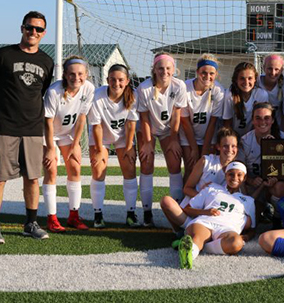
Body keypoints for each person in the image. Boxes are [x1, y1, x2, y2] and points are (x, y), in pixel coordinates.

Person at [0, 11, 54, 244]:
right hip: (5, 128)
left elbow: (41, 93)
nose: (33, 32)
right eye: (29, 27)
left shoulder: (47, 61)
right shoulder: (2, 55)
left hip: (33, 129)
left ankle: (30, 223)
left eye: (38, 29)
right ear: (22, 28)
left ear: (44, 33)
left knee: (33, 178)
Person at [42, 56, 95, 232]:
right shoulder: (54, 92)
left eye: (80, 74)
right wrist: (50, 149)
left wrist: (76, 144)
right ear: (65, 74)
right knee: (51, 171)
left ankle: (74, 216)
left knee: (75, 168)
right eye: (71, 74)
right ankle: (52, 218)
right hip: (48, 134)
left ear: (86, 74)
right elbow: (47, 122)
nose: (76, 77)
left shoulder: (88, 88)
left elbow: (81, 118)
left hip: (68, 135)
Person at [137, 52, 188, 224]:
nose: (164, 72)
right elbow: (144, 118)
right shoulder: (144, 88)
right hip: (147, 128)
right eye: (160, 68)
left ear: (173, 69)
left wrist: (174, 139)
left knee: (174, 164)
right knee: (146, 163)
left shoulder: (179, 86)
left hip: (168, 130)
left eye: (168, 68)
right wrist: (148, 143)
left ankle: (177, 209)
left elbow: (176, 114)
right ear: (154, 69)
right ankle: (147, 211)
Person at [87, 64, 139, 228]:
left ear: (127, 81)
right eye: (113, 80)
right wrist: (98, 149)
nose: (117, 83)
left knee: (129, 170)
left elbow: (131, 125)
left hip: (123, 136)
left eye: (120, 80)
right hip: (100, 135)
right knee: (99, 170)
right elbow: (96, 126)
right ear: (107, 80)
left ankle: (131, 214)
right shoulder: (98, 95)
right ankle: (98, 215)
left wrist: (129, 146)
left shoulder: (133, 96)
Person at [177, 162, 256, 269]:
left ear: (245, 177)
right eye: (231, 174)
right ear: (225, 175)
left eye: (239, 175)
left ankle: (201, 247)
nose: (234, 178)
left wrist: (246, 237)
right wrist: (206, 212)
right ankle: (189, 254)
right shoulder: (212, 188)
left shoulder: (249, 201)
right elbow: (187, 209)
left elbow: (252, 228)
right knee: (199, 237)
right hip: (205, 222)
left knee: (236, 243)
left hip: (227, 229)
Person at [160, 127, 240, 232]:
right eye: (225, 146)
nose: (229, 150)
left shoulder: (239, 169)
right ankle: (180, 232)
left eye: (233, 146)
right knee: (166, 201)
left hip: (216, 216)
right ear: (218, 147)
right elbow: (187, 188)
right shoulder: (206, 161)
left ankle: (195, 233)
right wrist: (203, 195)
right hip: (194, 211)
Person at [179, 54, 225, 181]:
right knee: (190, 168)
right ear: (197, 72)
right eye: (204, 72)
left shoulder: (218, 91)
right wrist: (194, 148)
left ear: (216, 74)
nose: (207, 76)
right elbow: (185, 121)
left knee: (207, 171)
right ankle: (185, 200)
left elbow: (213, 122)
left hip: (209, 137)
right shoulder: (185, 88)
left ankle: (204, 200)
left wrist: (204, 150)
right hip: (188, 136)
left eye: (211, 73)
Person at [236, 103, 284, 204]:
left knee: (280, 187)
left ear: (273, 120)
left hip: (273, 187)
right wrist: (251, 180)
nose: (262, 122)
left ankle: (277, 215)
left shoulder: (283, 139)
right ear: (252, 120)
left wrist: (278, 178)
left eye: (267, 118)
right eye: (258, 118)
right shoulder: (245, 141)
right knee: (239, 184)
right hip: (253, 185)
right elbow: (238, 169)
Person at [222, 62, 269, 137]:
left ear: (255, 80)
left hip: (253, 136)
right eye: (242, 78)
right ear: (236, 80)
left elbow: (261, 122)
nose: (246, 82)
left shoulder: (261, 95)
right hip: (234, 136)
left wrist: (251, 140)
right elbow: (227, 123)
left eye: (250, 78)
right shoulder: (230, 95)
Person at [258, 54, 284, 132]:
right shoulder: (256, 82)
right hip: (260, 126)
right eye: (269, 68)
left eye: (277, 69)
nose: (273, 73)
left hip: (278, 127)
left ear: (282, 70)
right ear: (263, 68)